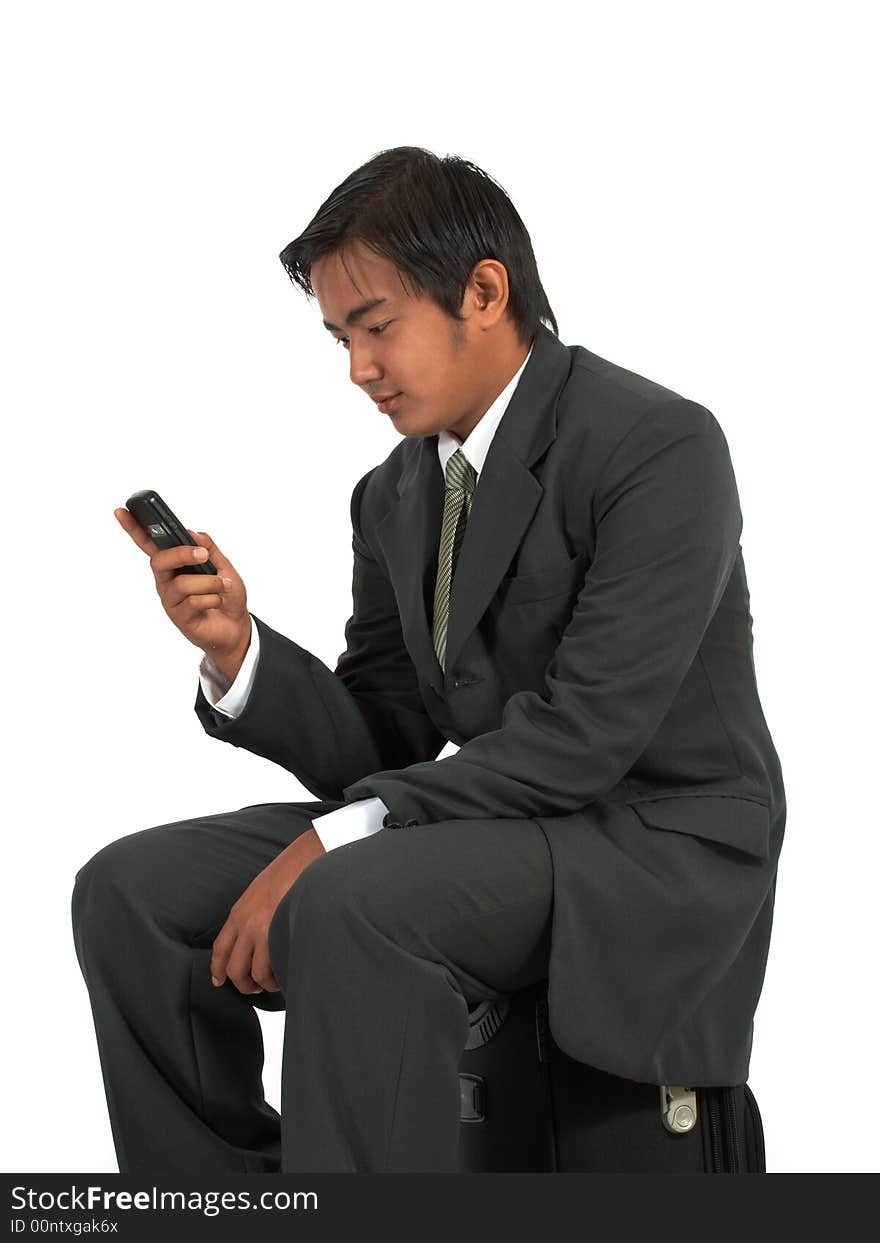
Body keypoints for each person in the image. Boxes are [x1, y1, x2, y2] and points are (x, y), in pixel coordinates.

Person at [71, 145, 786, 1174]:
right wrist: (241, 650)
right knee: (128, 891)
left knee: (348, 897)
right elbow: (387, 734)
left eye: (376, 327)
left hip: (642, 840)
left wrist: (337, 841)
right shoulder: (392, 494)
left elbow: (585, 736)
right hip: (491, 823)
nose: (357, 368)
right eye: (337, 337)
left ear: (483, 292)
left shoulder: (657, 445)